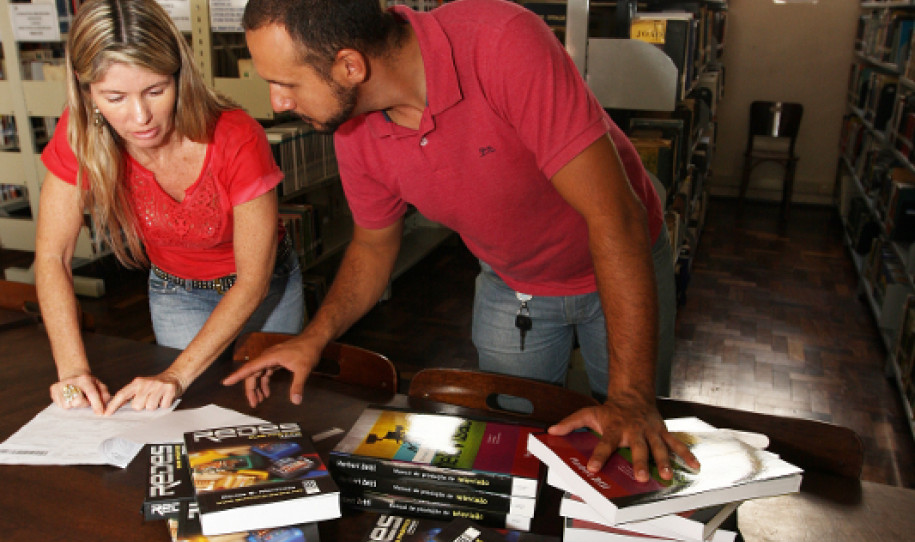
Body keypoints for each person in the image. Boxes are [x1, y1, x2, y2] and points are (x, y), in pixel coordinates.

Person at [224, 0, 697, 481]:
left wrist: (632, 399)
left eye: (285, 83)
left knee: (636, 443)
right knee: (513, 450)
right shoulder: (352, 127)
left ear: (350, 65)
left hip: (620, 265)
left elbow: (615, 218)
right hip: (512, 285)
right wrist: (314, 338)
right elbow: (373, 245)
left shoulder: (504, 42)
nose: (277, 103)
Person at [36, 0, 304, 416]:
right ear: (86, 89)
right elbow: (53, 256)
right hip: (175, 290)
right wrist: (72, 369)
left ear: (180, 74)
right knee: (184, 415)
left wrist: (176, 373)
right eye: (115, 97)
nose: (141, 116)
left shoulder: (236, 136)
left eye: (156, 90)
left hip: (266, 291)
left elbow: (253, 280)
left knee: (271, 412)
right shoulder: (79, 133)